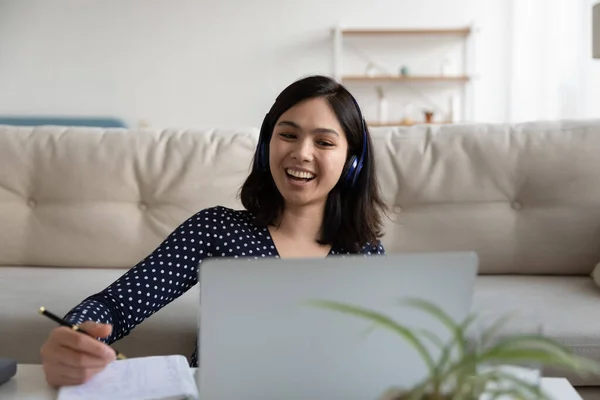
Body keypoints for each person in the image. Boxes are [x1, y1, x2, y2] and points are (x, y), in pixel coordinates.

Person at [39, 74, 388, 387]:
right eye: (288, 135)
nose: (301, 153)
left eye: (324, 143)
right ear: (268, 145)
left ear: (352, 162)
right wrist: (75, 334)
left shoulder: (365, 254)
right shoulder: (216, 229)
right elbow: (115, 305)